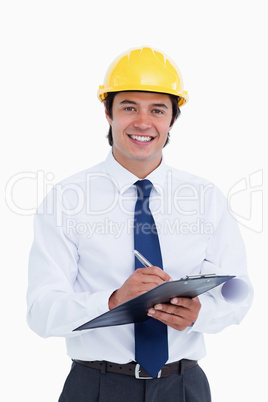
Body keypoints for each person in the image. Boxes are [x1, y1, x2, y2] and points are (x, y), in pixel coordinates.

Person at [27, 46, 253, 402]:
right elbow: (41, 312)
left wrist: (200, 313)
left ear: (172, 119)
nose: (143, 122)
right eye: (129, 107)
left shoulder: (206, 197)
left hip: (184, 386)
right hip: (97, 386)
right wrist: (114, 300)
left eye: (157, 110)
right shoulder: (66, 199)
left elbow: (238, 291)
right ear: (108, 112)